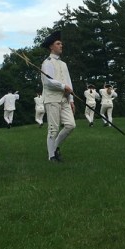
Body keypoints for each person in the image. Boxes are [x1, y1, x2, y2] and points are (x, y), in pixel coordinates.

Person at [40, 31, 75, 162]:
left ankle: (54, 147)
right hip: (52, 99)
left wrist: (71, 99)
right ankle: (51, 156)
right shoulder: (47, 63)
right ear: (51, 46)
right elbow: (48, 82)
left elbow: (68, 82)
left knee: (70, 125)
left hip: (64, 99)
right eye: (58, 43)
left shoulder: (63, 64)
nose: (61, 45)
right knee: (53, 129)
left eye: (61, 43)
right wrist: (63, 86)